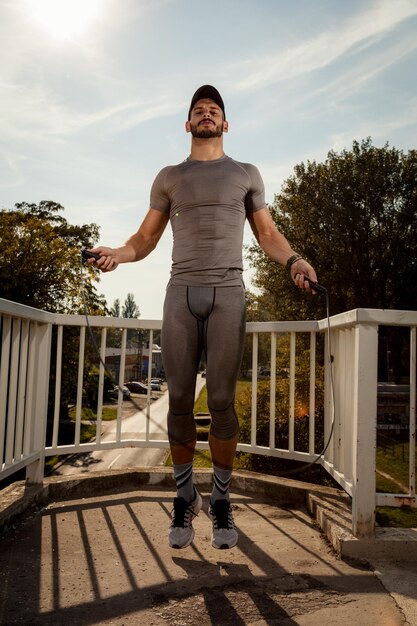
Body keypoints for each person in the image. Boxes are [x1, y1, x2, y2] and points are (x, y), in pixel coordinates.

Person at [89, 85, 318, 550]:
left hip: (228, 293)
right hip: (180, 293)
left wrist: (295, 261)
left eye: (214, 110)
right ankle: (182, 496)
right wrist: (117, 252)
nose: (206, 114)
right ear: (188, 123)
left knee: (219, 402)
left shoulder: (246, 173)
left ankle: (220, 500)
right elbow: (146, 238)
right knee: (176, 400)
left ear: (225, 124)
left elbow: (267, 233)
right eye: (199, 110)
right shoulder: (170, 176)